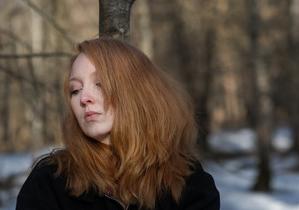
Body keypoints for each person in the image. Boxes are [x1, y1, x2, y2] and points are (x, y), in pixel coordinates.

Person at [16, 38, 220, 210]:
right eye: (75, 90)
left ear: (138, 91)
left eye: (100, 83)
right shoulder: (50, 181)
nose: (84, 98)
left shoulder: (191, 183)